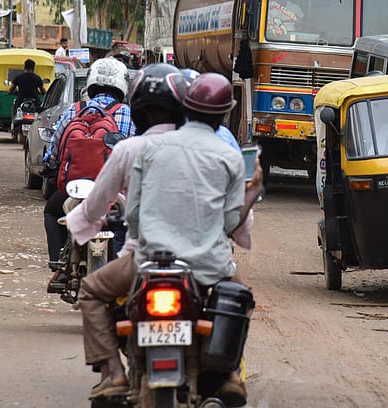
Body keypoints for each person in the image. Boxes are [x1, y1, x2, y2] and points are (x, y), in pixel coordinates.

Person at [77, 72, 260, 405]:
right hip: (208, 267)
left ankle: (114, 374)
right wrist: (255, 190)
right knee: (239, 299)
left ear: (187, 108)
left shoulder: (150, 147)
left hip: (148, 262)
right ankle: (230, 374)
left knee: (90, 290)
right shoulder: (230, 156)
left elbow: (132, 213)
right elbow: (231, 223)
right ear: (224, 115)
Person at [64, 63, 188, 256]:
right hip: (194, 261)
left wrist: (77, 224)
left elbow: (97, 203)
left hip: (140, 258)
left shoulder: (128, 149)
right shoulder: (204, 151)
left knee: (92, 286)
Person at [43, 57, 135, 283]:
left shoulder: (74, 110)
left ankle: (59, 263)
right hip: (114, 191)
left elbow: (54, 150)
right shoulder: (127, 113)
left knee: (52, 212)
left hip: (76, 187)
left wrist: (50, 165)